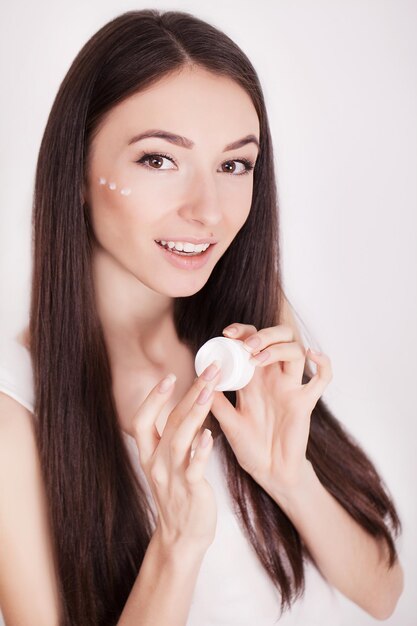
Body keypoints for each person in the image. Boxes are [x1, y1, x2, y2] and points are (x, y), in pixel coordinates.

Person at [0, 9, 404, 626]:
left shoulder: (249, 333)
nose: (208, 211)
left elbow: (385, 592)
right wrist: (176, 544)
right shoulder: (15, 409)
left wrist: (289, 476)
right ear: (77, 169)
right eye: (159, 160)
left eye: (234, 165)